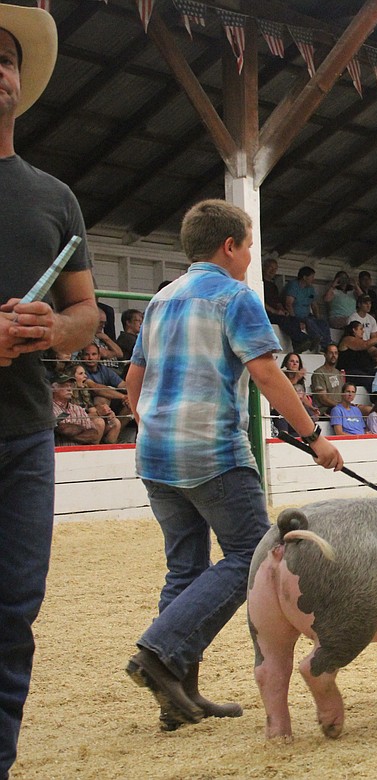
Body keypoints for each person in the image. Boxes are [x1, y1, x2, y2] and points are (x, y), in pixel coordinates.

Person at [123, 199, 342, 732]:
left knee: (185, 567)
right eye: (248, 245)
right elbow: (268, 375)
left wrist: (156, 425)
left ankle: (177, 692)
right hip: (213, 454)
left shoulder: (161, 299)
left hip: (156, 455)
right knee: (251, 554)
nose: (249, 256)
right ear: (230, 247)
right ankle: (160, 650)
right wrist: (314, 438)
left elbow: (135, 380)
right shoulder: (234, 297)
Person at [0, 11, 101, 767]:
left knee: (10, 617)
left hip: (24, 434)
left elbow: (87, 311)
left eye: (6, 59)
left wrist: (53, 331)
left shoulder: (52, 196)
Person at [261, 257, 312, 352]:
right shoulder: (259, 282)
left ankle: (297, 345)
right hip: (264, 313)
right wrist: (275, 311)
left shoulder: (273, 285)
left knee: (293, 319)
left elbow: (277, 302)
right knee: (283, 319)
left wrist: (283, 310)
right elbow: (260, 301)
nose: (273, 271)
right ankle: (304, 339)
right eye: (270, 268)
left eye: (275, 269)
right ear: (264, 267)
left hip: (275, 312)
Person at [282, 266, 331, 349]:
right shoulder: (293, 285)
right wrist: (294, 319)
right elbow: (288, 304)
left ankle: (327, 344)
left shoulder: (310, 288)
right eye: (312, 277)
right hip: (296, 316)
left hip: (307, 315)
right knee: (309, 322)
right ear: (304, 277)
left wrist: (318, 317)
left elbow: (314, 304)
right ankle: (318, 340)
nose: (313, 279)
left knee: (323, 323)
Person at [50, 377, 103, 445]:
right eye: (65, 386)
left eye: (71, 386)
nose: (69, 389)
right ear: (54, 389)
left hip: (80, 453)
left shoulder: (79, 409)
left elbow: (94, 435)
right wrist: (83, 430)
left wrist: (66, 434)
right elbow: (60, 428)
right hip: (58, 453)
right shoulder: (49, 408)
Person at [310, 344, 344, 417]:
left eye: (336, 353)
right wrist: (341, 406)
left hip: (339, 407)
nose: (334, 355)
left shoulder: (337, 372)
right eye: (331, 353)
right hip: (325, 409)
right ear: (325, 355)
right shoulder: (319, 373)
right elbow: (323, 399)